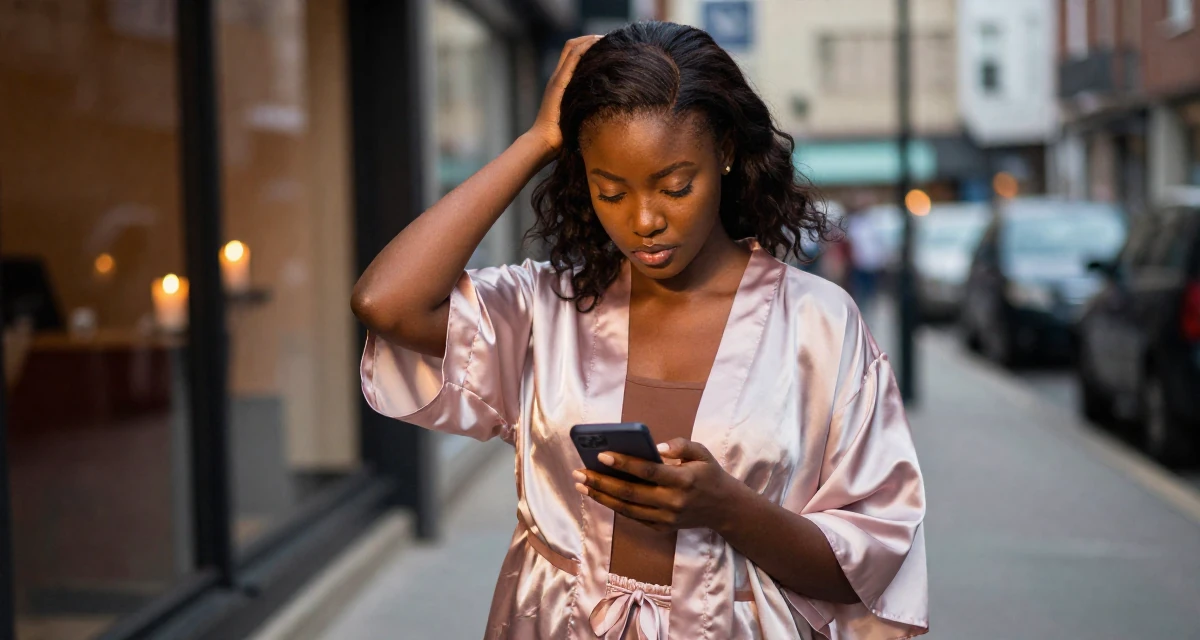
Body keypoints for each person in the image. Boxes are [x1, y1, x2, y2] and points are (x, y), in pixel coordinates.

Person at [352, 22, 927, 640]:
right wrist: (539, 139)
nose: (644, 220)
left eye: (675, 187)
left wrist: (728, 508)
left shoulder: (818, 324)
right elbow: (386, 302)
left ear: (726, 151)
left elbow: (868, 565)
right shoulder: (548, 308)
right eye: (611, 192)